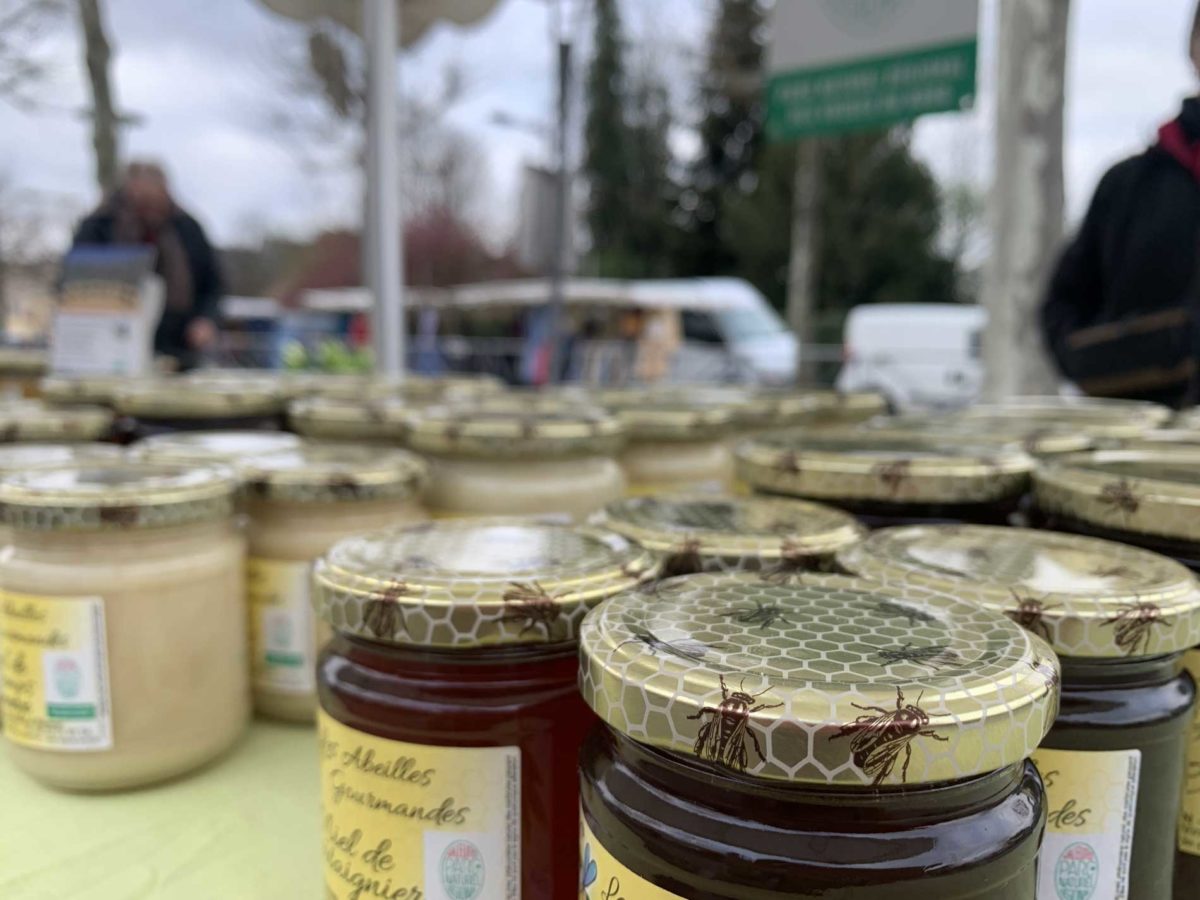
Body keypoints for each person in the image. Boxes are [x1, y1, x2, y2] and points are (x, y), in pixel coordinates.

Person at [1041, 6, 1200, 409]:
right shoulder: (1126, 186)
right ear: (1194, 47)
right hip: (1141, 447)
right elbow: (1062, 306)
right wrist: (1102, 362)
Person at [70, 162, 222, 371]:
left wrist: (206, 320)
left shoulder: (187, 228)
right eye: (141, 199)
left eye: (154, 198)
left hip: (178, 346)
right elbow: (74, 281)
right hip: (107, 345)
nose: (149, 208)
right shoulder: (99, 226)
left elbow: (213, 283)